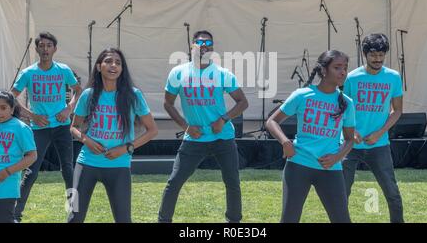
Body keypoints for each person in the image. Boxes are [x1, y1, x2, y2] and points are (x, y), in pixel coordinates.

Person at [158, 30, 249, 223]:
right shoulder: (178, 73)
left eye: (208, 42)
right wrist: (185, 126)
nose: (204, 45)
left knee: (232, 182)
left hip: (222, 136)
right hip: (195, 137)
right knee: (174, 182)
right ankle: (163, 220)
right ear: (192, 46)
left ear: (213, 48)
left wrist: (223, 119)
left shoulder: (223, 74)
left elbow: (242, 102)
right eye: (199, 42)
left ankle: (234, 222)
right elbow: (167, 103)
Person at [68, 48, 158, 223]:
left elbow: (152, 130)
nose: (113, 65)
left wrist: (126, 148)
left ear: (122, 69)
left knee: (124, 219)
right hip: (86, 163)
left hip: (119, 165)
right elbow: (74, 127)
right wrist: (86, 139)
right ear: (99, 66)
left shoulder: (133, 95)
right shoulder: (88, 94)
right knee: (73, 216)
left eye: (118, 62)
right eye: (108, 61)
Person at [266, 50, 355, 223]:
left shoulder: (347, 103)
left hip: (330, 170)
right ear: (323, 70)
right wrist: (285, 142)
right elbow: (272, 121)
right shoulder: (302, 95)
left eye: (345, 67)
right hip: (299, 166)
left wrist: (337, 157)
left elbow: (350, 139)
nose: (343, 72)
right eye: (337, 67)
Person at [12, 31, 82, 222]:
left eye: (48, 46)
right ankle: (15, 214)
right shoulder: (28, 73)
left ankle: (73, 211)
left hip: (61, 126)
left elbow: (78, 90)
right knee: (31, 171)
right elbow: (12, 97)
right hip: (38, 128)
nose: (45, 49)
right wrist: (32, 115)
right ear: (36, 49)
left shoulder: (64, 70)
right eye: (41, 46)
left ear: (55, 49)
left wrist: (69, 109)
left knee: (68, 169)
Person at [342, 33, 404, 223]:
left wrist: (379, 133)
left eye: (381, 55)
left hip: (379, 145)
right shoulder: (351, 78)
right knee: (340, 194)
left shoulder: (393, 77)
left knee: (392, 193)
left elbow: (397, 111)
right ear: (364, 54)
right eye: (373, 55)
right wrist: (352, 133)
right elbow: (341, 109)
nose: (377, 59)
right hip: (350, 145)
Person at [0, 91, 37, 223]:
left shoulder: (21, 128)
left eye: (3, 108)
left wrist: (7, 172)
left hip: (6, 186)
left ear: (12, 108)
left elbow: (32, 156)